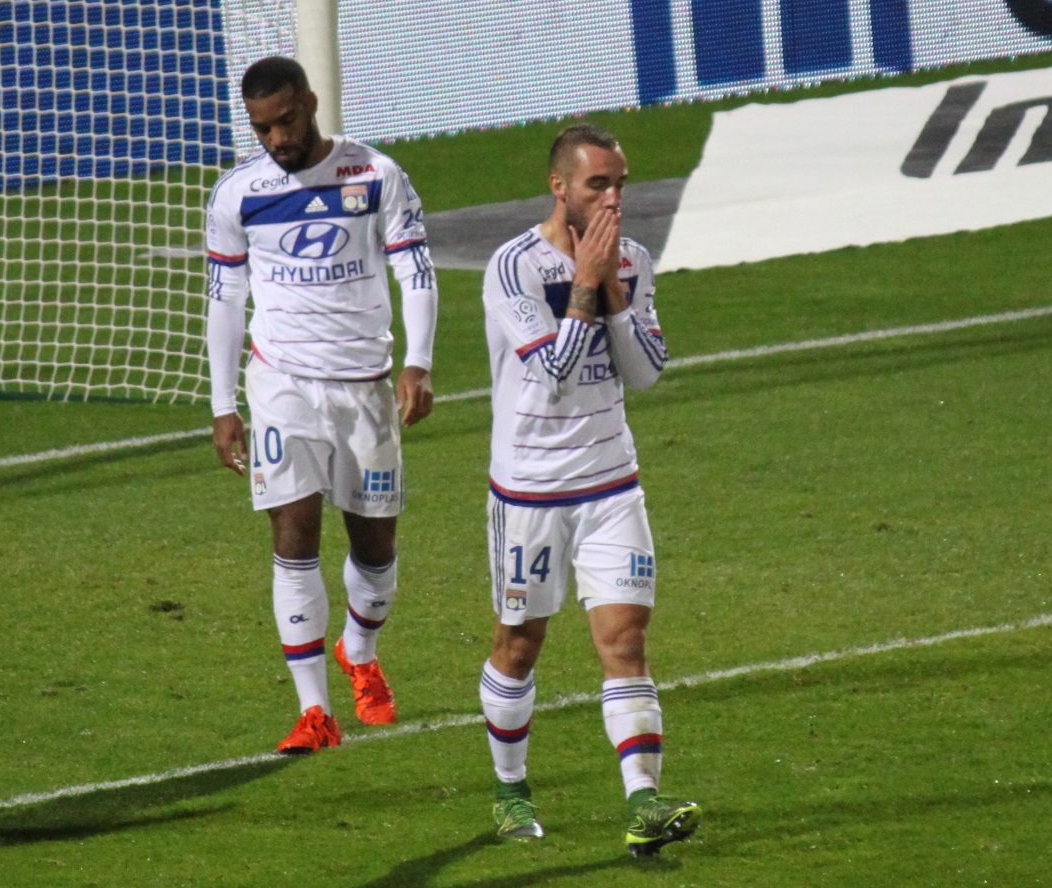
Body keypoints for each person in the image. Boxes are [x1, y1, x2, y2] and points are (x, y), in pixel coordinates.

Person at [478, 124, 700, 856]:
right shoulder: (511, 268)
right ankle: (510, 791)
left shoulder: (631, 261)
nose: (613, 198)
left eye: (621, 183)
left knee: (626, 641)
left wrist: (611, 287)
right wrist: (582, 284)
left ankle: (645, 804)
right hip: (532, 494)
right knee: (520, 644)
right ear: (560, 188)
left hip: (612, 484)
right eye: (598, 184)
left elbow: (646, 371)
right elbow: (554, 372)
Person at [204, 56, 437, 754]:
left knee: (375, 548)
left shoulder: (375, 175)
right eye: (262, 128)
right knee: (293, 539)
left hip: (365, 384)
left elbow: (415, 270)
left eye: (286, 120)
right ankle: (316, 714)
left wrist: (418, 363)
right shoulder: (237, 194)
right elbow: (225, 300)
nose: (276, 139)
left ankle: (360, 652)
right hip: (282, 385)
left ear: (310, 102)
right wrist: (223, 402)